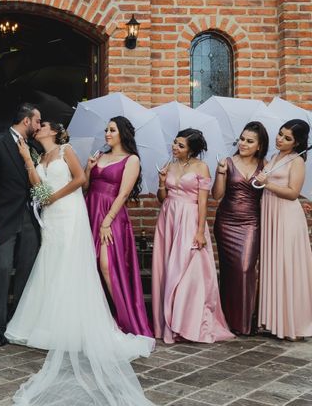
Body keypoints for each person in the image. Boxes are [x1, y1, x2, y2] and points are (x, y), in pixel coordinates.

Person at [6, 121, 154, 406]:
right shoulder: (43, 158)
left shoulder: (70, 150)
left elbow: (92, 186)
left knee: (91, 266)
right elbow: (53, 188)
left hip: (86, 212)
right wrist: (27, 160)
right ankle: (49, 324)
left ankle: (117, 321)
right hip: (65, 213)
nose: (107, 134)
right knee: (55, 266)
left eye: (112, 129)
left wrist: (57, 198)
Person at [152, 128, 234, 344]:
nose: (174, 147)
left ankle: (186, 322)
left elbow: (204, 202)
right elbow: (162, 198)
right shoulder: (170, 165)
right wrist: (161, 181)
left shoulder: (201, 167)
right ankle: (168, 321)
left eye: (180, 145)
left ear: (191, 149)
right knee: (167, 268)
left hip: (189, 220)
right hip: (168, 218)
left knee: (189, 271)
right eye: (175, 143)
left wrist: (199, 231)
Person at [0, 103, 42, 347]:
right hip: (3, 220)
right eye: (37, 122)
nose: (38, 126)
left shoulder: (35, 147)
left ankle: (19, 324)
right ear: (26, 121)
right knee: (3, 270)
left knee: (26, 273)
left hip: (30, 220)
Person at [83, 116, 153, 337]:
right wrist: (88, 168)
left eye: (112, 130)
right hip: (89, 210)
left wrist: (107, 221)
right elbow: (85, 186)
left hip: (111, 216)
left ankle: (124, 318)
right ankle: (97, 317)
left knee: (106, 265)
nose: (107, 133)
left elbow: (123, 194)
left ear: (122, 133)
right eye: (106, 129)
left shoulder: (131, 160)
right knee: (88, 264)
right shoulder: (99, 156)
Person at [255, 119, 312, 340]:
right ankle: (274, 320)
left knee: (287, 266)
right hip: (270, 214)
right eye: (280, 134)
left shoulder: (296, 161)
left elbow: (292, 192)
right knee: (273, 265)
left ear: (297, 143)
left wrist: (266, 183)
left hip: (287, 216)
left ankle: (292, 324)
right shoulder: (274, 158)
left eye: (287, 138)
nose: (280, 139)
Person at [212, 121, 268, 335]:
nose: (243, 143)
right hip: (226, 223)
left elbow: (270, 196)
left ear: (259, 146)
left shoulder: (266, 164)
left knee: (245, 269)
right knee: (228, 271)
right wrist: (220, 173)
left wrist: (267, 179)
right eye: (242, 139)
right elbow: (217, 195)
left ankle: (244, 322)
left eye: (249, 141)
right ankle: (227, 319)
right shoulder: (228, 161)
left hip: (251, 223)